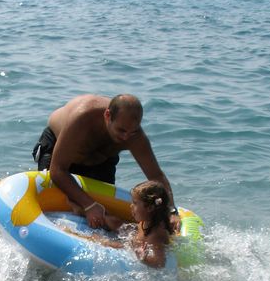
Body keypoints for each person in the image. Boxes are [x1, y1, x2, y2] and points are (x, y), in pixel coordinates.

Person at [32, 94, 179, 230]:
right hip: (59, 150)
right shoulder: (82, 119)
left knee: (107, 218)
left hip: (101, 161)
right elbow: (57, 170)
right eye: (121, 130)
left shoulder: (135, 136)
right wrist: (89, 205)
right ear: (107, 116)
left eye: (132, 131)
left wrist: (172, 211)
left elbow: (156, 176)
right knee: (68, 204)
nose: (126, 137)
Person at [65, 180, 175, 269]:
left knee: (102, 241)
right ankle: (83, 212)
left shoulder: (155, 235)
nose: (131, 206)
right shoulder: (149, 219)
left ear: (150, 208)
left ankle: (74, 234)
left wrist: (143, 258)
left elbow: (160, 263)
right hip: (134, 236)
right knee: (115, 221)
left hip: (133, 245)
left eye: (135, 203)